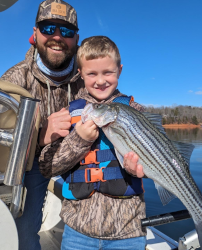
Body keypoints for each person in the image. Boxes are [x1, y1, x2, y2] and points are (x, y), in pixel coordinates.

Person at [39, 36, 147, 250]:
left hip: (127, 230)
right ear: (80, 73)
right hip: (77, 231)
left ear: (120, 70)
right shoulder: (69, 113)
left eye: (108, 72)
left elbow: (150, 162)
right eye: (92, 73)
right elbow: (47, 167)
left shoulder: (135, 111)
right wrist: (79, 140)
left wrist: (134, 169)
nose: (100, 81)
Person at [0, 0, 85, 249]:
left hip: (82, 158)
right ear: (34, 33)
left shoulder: (90, 74)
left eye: (66, 31)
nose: (57, 37)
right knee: (23, 234)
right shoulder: (15, 78)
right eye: (49, 28)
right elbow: (2, 146)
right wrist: (36, 135)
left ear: (76, 38)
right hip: (33, 164)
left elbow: (117, 106)